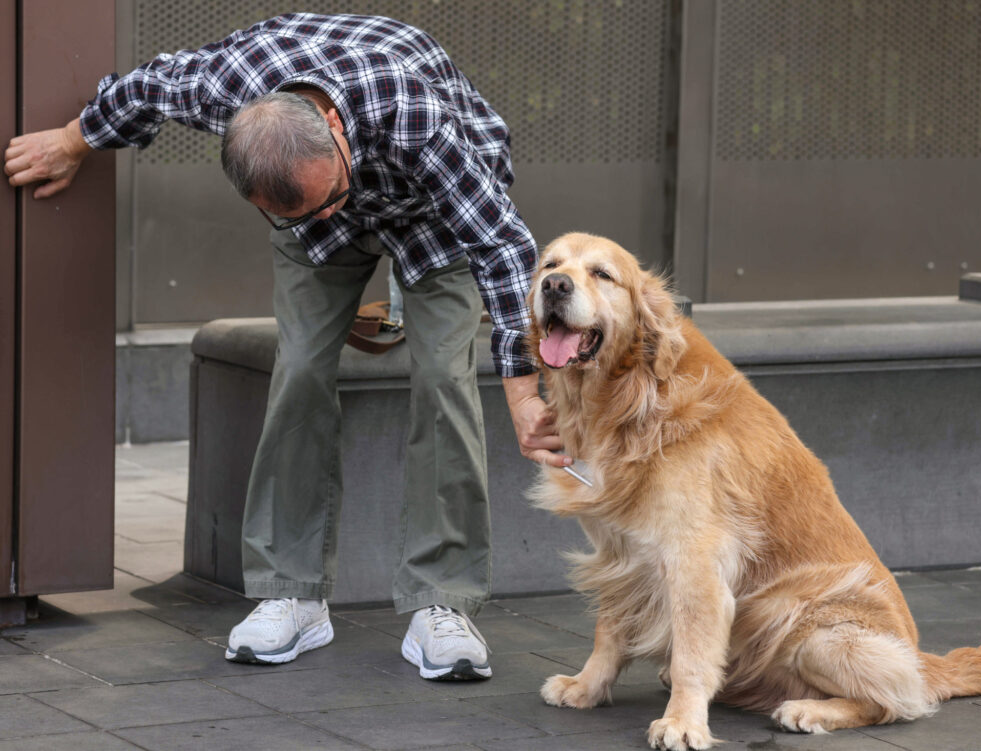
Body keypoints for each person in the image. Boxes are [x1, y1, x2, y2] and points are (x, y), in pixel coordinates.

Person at [4, 13, 572, 678]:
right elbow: (144, 87)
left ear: (334, 132)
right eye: (297, 209)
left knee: (444, 376)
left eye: (328, 197)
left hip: (432, 212)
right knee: (299, 366)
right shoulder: (225, 88)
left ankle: (441, 602)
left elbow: (503, 246)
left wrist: (527, 389)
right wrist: (74, 142)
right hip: (316, 224)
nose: (329, 215)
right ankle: (292, 593)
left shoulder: (415, 113)